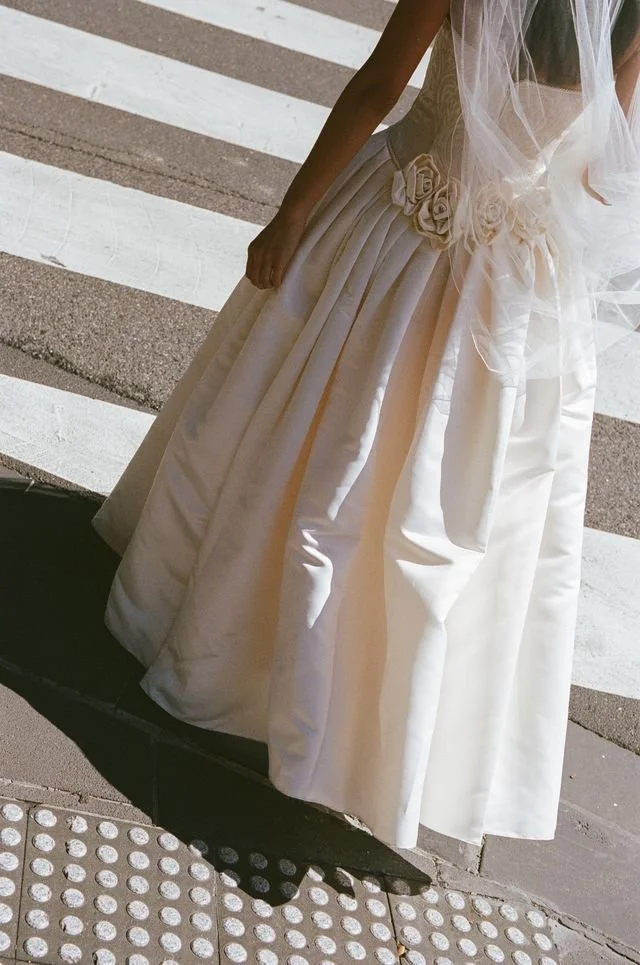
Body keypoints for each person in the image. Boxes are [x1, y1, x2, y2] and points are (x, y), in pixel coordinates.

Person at [92, 0, 640, 849]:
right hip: (515, 277)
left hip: (397, 227)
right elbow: (603, 167)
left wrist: (294, 211)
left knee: (318, 449)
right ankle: (390, 737)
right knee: (454, 507)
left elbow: (379, 86)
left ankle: (242, 655)